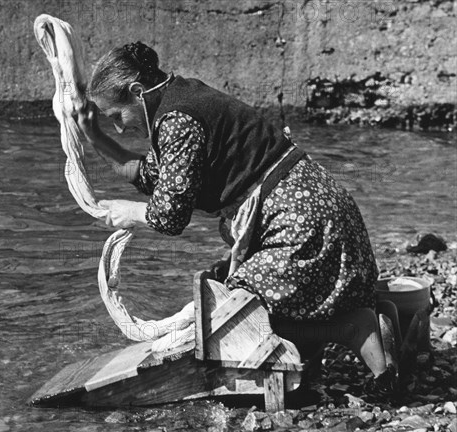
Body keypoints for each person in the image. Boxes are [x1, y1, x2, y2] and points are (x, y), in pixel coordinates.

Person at [75, 41, 397, 391]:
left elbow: (169, 215)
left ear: (137, 92)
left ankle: (353, 328)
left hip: (304, 222)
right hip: (318, 210)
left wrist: (130, 212)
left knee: (234, 317)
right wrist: (92, 135)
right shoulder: (180, 100)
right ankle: (365, 326)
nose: (119, 129)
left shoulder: (177, 120)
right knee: (231, 292)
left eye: (116, 117)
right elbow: (148, 177)